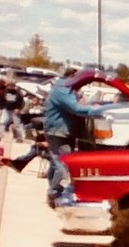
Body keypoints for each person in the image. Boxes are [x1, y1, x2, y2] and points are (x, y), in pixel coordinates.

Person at [41, 65, 111, 208]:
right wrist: (97, 109)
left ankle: (53, 192)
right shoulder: (62, 90)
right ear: (73, 76)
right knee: (64, 164)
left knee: (56, 163)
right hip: (58, 131)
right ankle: (54, 192)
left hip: (59, 130)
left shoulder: (63, 88)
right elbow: (76, 108)